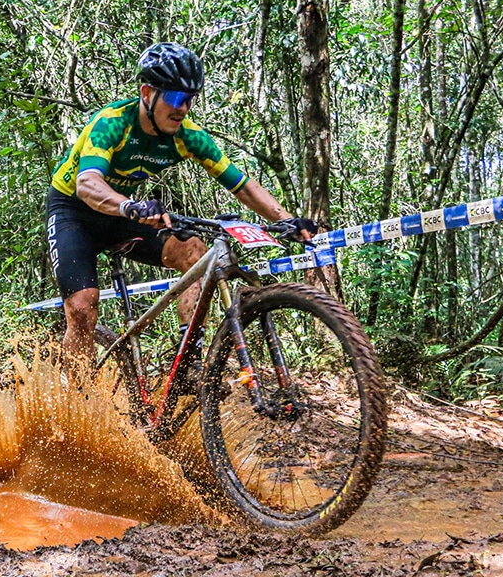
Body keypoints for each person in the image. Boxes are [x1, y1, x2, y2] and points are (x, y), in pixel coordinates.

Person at [45, 42, 315, 383]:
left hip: (121, 214)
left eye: (189, 99)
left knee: (194, 253)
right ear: (147, 93)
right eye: (174, 97)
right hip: (73, 212)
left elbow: (243, 185)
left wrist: (286, 219)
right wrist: (130, 206)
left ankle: (186, 364)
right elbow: (87, 184)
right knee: (82, 309)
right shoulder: (112, 123)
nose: (182, 108)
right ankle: (77, 398)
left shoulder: (188, 136)